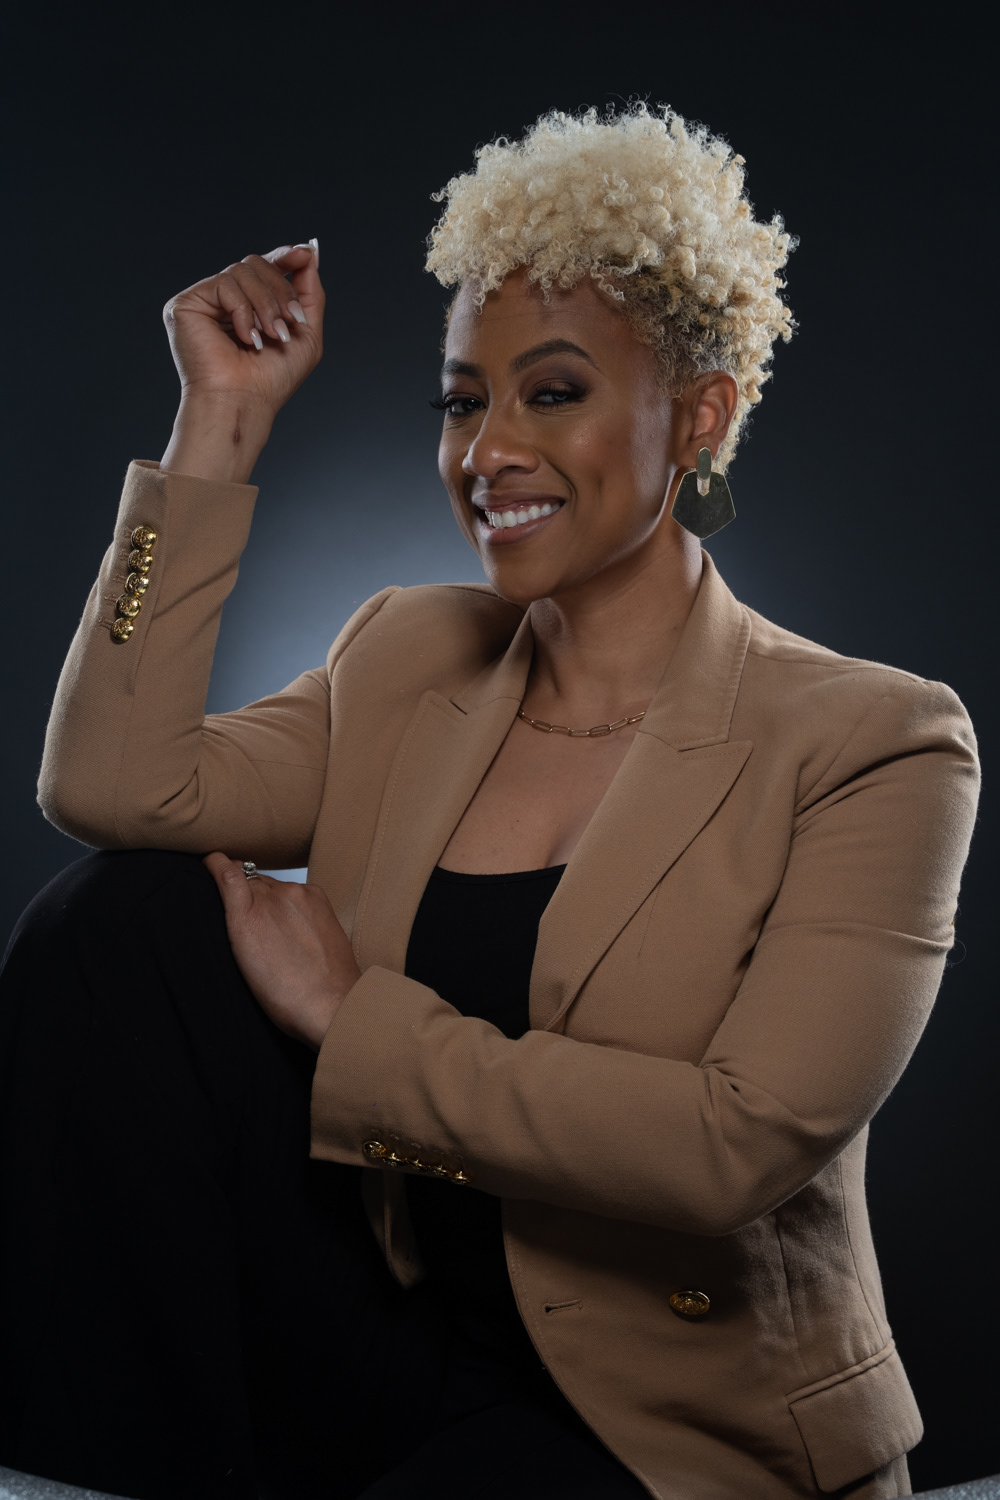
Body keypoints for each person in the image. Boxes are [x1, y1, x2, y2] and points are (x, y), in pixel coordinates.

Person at [0, 106, 979, 1500]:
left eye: (554, 393)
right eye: (465, 402)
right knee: (118, 926)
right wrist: (219, 425)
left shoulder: (876, 741)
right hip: (401, 1341)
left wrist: (353, 1019)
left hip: (669, 1427)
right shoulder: (409, 654)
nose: (489, 452)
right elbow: (110, 785)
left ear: (700, 416)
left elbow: (732, 1149)